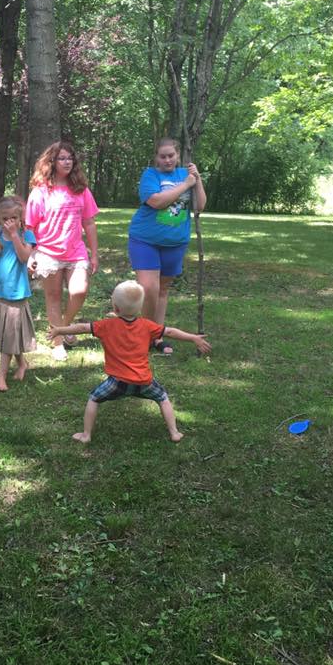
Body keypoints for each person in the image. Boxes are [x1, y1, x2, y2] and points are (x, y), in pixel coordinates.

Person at [48, 280, 211, 443]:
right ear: (139, 308)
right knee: (163, 398)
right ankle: (174, 433)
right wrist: (193, 337)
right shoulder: (147, 325)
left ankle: (86, 435)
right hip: (144, 381)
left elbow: (83, 328)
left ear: (115, 308)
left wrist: (60, 330)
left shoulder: (106, 325)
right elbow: (170, 332)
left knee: (93, 398)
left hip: (118, 382)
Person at [128, 137, 206, 355]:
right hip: (145, 240)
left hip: (175, 243)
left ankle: (156, 336)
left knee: (162, 290)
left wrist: (197, 179)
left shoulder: (187, 174)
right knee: (149, 289)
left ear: (178, 155)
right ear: (156, 158)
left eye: (171, 155)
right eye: (162, 156)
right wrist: (186, 184)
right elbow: (156, 202)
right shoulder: (150, 175)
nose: (167, 160)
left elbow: (199, 206)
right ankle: (145, 334)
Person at [26, 141, 99, 362]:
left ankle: (63, 327)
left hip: (76, 252)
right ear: (51, 162)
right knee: (54, 297)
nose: (67, 162)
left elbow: (89, 223)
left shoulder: (81, 189)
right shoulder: (41, 191)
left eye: (70, 158)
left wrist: (94, 254)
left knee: (79, 291)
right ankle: (58, 343)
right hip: (48, 252)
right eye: (62, 158)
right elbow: (29, 227)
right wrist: (30, 254)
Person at [0, 196, 37, 391]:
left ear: (20, 218)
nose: (9, 222)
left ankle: (1, 377)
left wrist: (14, 236)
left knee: (8, 335)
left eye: (13, 218)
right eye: (5, 218)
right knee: (9, 334)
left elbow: (24, 258)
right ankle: (22, 364)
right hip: (0, 293)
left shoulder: (27, 236)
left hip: (17, 295)